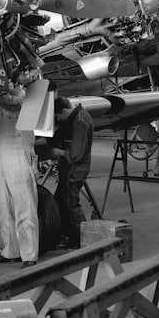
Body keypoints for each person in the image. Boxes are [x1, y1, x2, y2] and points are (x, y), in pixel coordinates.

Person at [0, 97, 39, 268]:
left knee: (24, 207)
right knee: (4, 208)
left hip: (20, 154)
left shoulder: (23, 98)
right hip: (1, 155)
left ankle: (29, 255)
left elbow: (13, 104)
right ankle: (11, 251)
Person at [50, 96, 94, 249]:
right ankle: (69, 234)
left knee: (71, 204)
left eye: (58, 117)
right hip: (71, 168)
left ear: (63, 111)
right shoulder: (78, 116)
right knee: (61, 200)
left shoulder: (80, 121)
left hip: (74, 169)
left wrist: (59, 152)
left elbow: (76, 155)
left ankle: (82, 239)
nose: (59, 120)